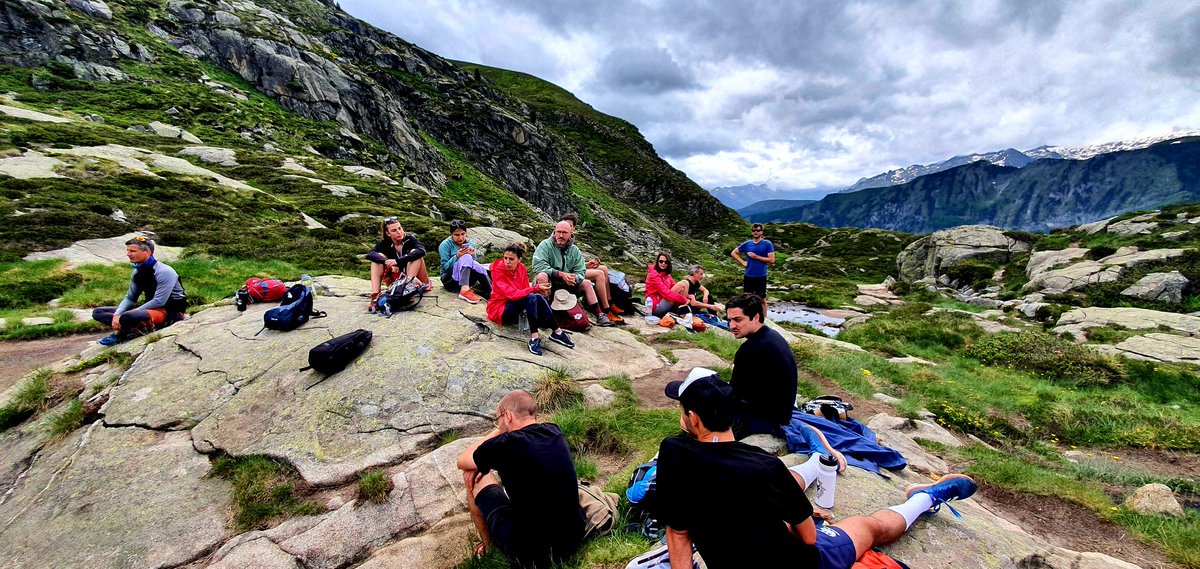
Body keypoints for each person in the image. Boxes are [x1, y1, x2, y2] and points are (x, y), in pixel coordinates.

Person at [656, 368, 978, 569]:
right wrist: (801, 518)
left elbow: (678, 533)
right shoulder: (766, 467)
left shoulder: (672, 453)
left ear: (693, 419)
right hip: (804, 561)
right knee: (869, 527)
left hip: (749, 513)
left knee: (773, 488)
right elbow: (808, 540)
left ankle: (815, 460)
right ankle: (925, 498)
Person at [456, 389, 585, 567]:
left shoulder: (505, 444)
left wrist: (499, 430)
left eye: (498, 418)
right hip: (573, 538)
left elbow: (462, 460)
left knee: (472, 477)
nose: (499, 423)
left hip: (531, 554)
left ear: (507, 416)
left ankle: (488, 547)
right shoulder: (554, 431)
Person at [92, 236, 188, 346]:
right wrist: (117, 315)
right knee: (98, 312)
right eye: (127, 250)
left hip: (170, 312)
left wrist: (132, 312)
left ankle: (126, 332)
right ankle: (132, 329)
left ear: (147, 252)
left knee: (128, 316)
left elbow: (159, 301)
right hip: (149, 310)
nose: (128, 254)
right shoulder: (137, 272)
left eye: (132, 251)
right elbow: (130, 298)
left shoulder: (164, 271)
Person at [726, 293, 796, 439]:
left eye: (738, 320)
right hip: (782, 412)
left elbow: (735, 393)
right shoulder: (772, 335)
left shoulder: (750, 349)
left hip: (766, 420)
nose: (732, 326)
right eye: (729, 320)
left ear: (756, 317)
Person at [486, 242, 575, 355]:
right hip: (499, 310)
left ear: (519, 260)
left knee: (535, 296)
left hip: (514, 305)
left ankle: (557, 331)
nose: (507, 262)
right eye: (505, 258)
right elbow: (511, 294)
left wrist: (535, 290)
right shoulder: (497, 271)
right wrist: (536, 288)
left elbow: (524, 291)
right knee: (532, 295)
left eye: (511, 259)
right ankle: (535, 338)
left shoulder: (521, 268)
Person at [532, 221, 621, 326]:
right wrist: (561, 274)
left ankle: (600, 315)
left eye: (564, 233)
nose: (560, 235)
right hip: (550, 283)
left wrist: (574, 278)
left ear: (570, 234)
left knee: (586, 283)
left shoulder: (574, 250)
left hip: (568, 285)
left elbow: (581, 271)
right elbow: (538, 266)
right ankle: (545, 313)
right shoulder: (545, 245)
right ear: (554, 232)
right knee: (542, 276)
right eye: (558, 232)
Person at [559, 213, 625, 318]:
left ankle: (610, 303)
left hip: (573, 270)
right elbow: (564, 265)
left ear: (574, 228)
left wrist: (586, 264)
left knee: (603, 268)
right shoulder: (560, 241)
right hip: (568, 274)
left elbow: (573, 263)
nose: (566, 228)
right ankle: (606, 309)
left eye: (570, 226)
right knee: (599, 274)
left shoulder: (571, 242)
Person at [366, 216, 432, 308]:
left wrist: (397, 261)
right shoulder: (386, 243)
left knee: (415, 254)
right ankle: (375, 294)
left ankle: (408, 287)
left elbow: (422, 251)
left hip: (417, 279)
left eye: (400, 228)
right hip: (397, 280)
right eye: (394, 230)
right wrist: (388, 262)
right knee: (378, 258)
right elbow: (370, 254)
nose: (399, 232)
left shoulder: (410, 239)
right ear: (388, 233)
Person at [645, 254, 721, 318]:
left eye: (666, 262)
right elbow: (666, 293)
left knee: (708, 297)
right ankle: (680, 312)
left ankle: (680, 312)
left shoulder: (667, 275)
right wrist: (685, 300)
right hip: (655, 306)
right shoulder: (653, 276)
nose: (663, 263)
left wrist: (688, 296)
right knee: (683, 283)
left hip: (664, 302)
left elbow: (673, 286)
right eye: (661, 261)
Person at [437, 219, 491, 304]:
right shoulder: (445, 245)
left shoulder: (470, 243)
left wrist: (472, 256)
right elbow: (445, 268)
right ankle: (464, 290)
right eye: (457, 235)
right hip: (449, 280)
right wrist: (457, 257)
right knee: (465, 257)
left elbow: (473, 266)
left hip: (466, 279)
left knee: (475, 263)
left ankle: (491, 293)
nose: (460, 237)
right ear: (451, 234)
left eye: (463, 234)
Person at [730, 223, 774, 298]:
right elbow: (733, 253)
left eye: (758, 230)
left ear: (762, 232)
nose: (755, 232)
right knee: (747, 298)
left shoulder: (767, 243)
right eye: (753, 230)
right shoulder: (747, 244)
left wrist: (756, 257)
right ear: (752, 232)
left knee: (761, 299)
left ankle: (763, 310)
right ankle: (749, 310)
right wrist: (742, 262)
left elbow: (772, 260)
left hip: (761, 276)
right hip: (748, 275)